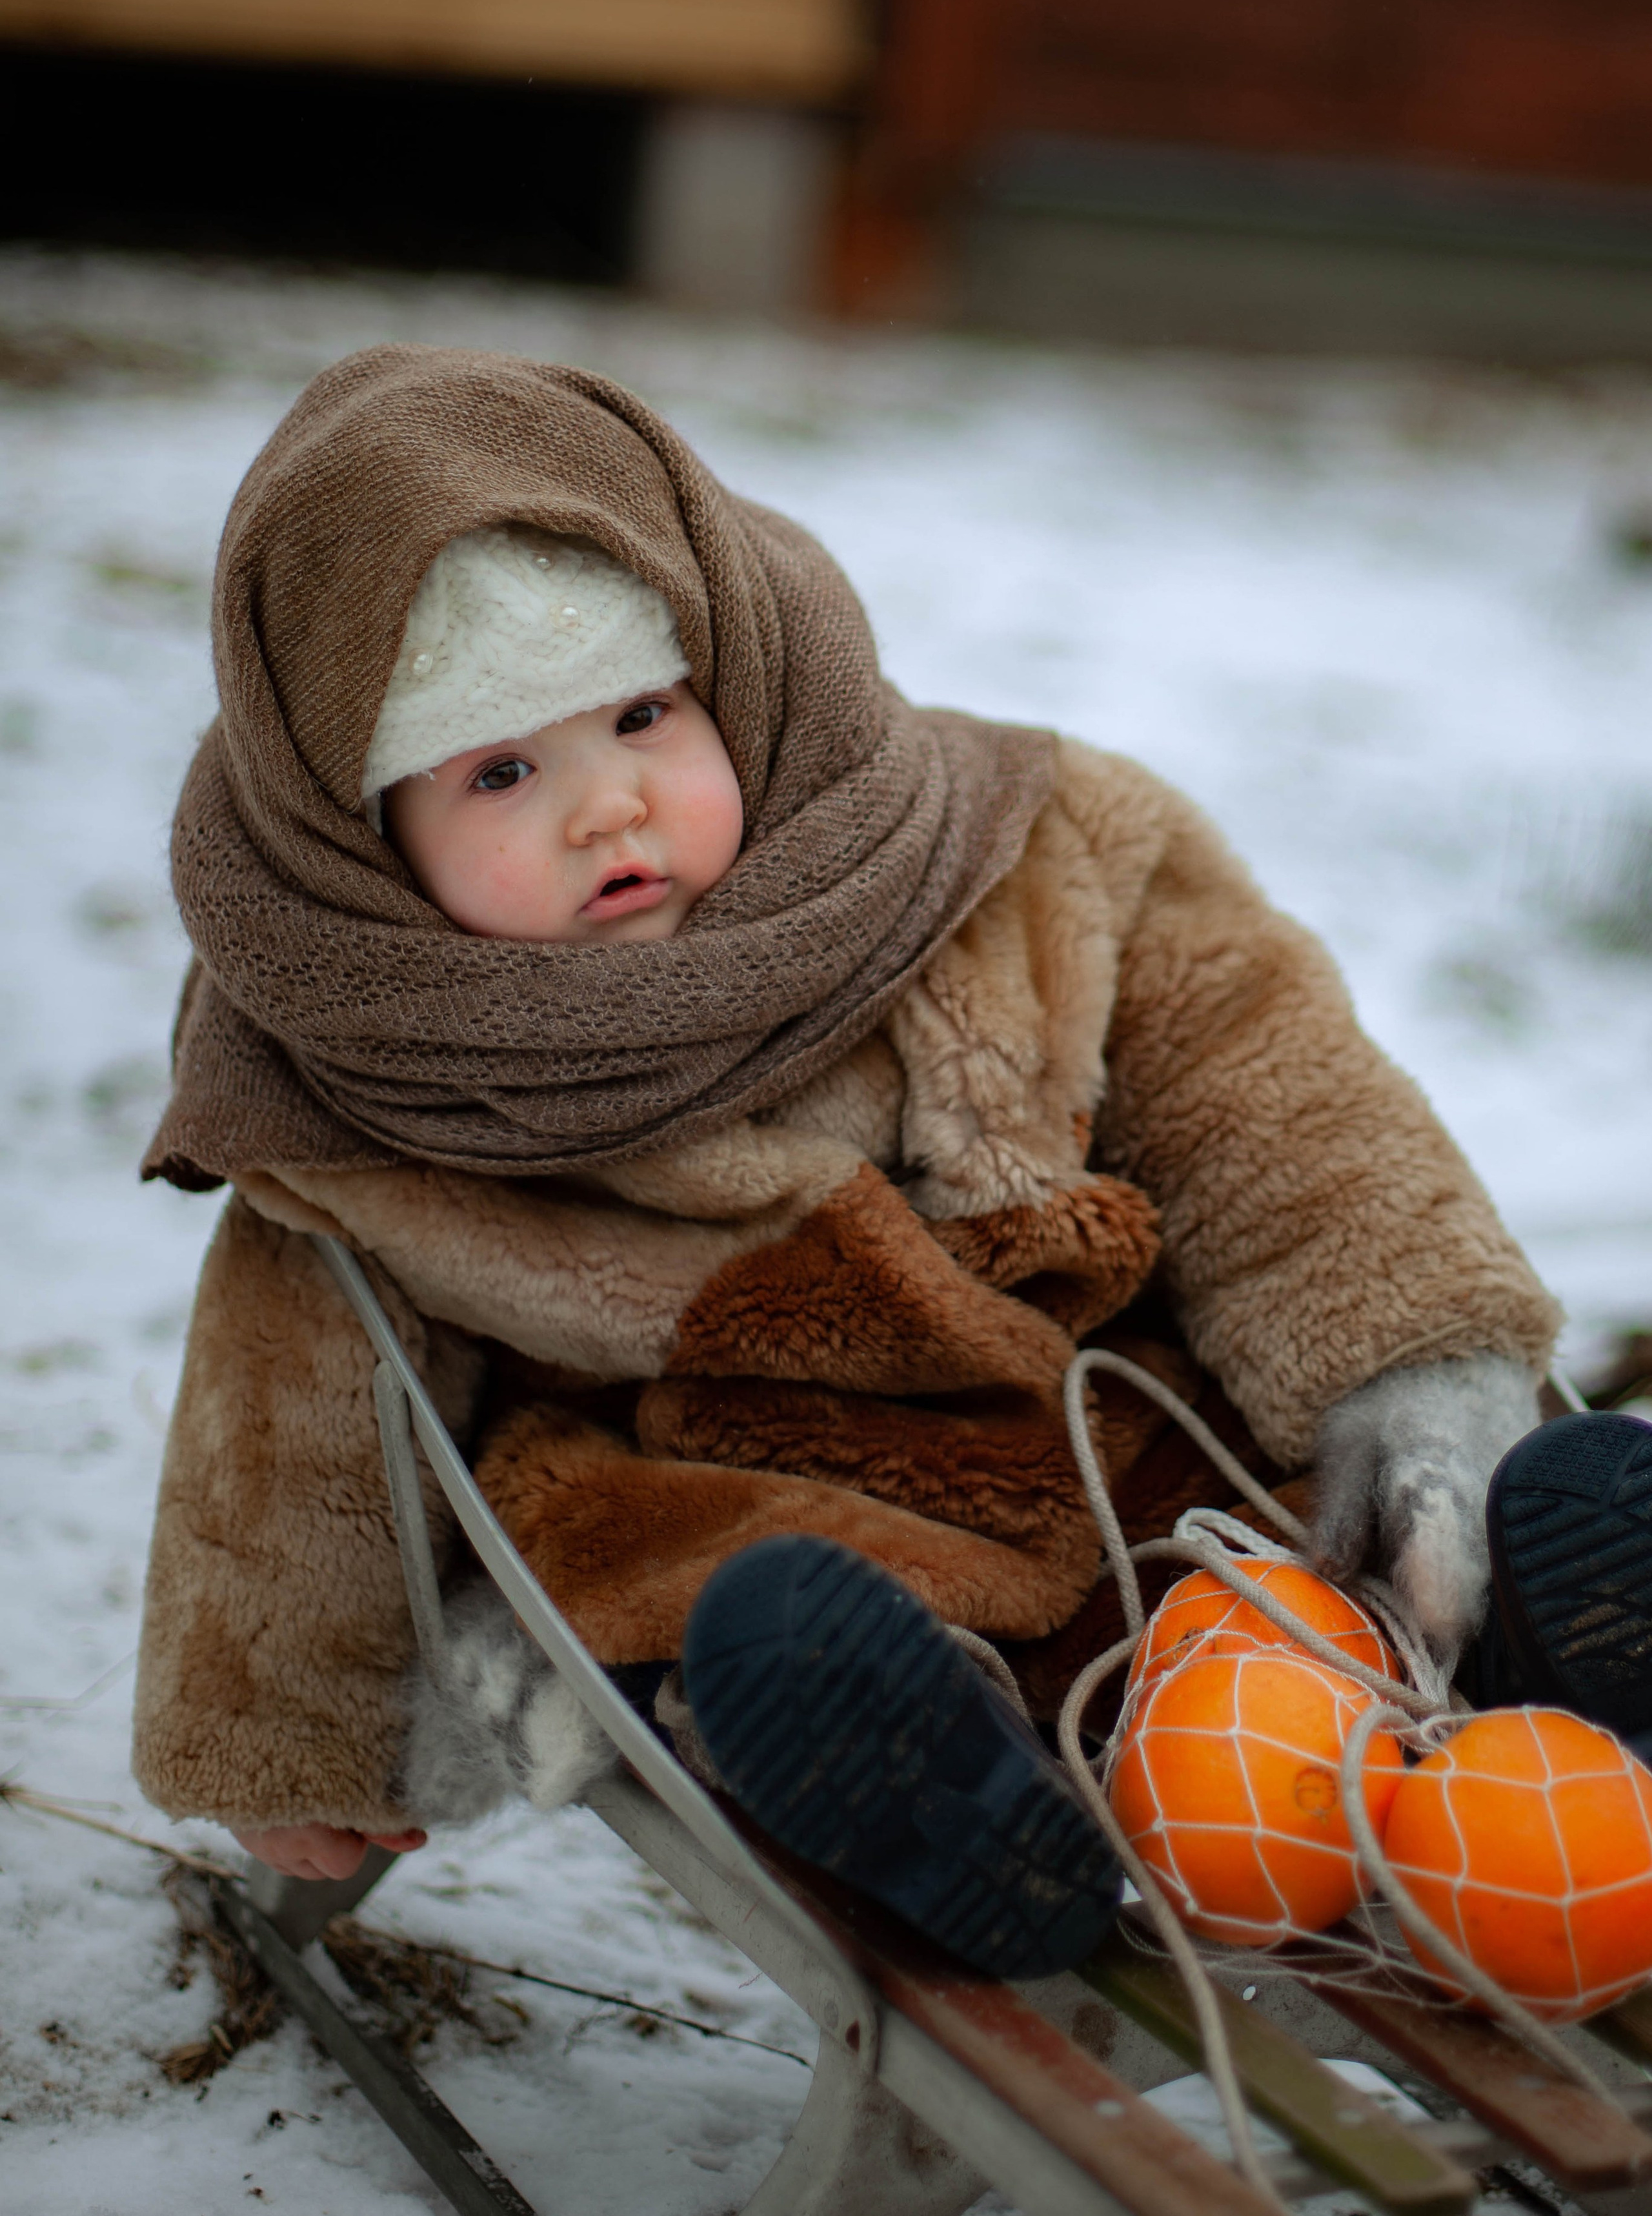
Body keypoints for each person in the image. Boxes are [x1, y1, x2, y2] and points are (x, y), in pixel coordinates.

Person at [133, 345, 1564, 1975]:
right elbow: (293, 1407)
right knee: (742, 1607)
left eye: (642, 715)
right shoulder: (373, 1082)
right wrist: (289, 1738)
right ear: (364, 835)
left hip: (1124, 1453)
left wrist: (1414, 1366)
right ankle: (928, 1788)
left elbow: (1271, 1095)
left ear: (734, 677)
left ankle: (1524, 1612)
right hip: (743, 1502)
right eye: (500, 772)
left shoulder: (1009, 856)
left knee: (1296, 1548)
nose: (609, 807)